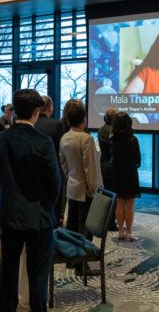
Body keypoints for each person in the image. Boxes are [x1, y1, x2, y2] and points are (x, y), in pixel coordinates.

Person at [0, 89, 61, 312]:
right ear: (35, 112)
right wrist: (48, 208)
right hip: (38, 216)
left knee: (8, 273)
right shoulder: (43, 142)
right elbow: (54, 183)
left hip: (9, 213)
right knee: (37, 276)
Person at [59, 99, 103, 276]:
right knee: (85, 229)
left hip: (72, 185)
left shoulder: (65, 137)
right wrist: (93, 189)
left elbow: (63, 162)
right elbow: (90, 168)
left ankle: (72, 260)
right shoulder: (86, 139)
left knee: (72, 225)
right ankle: (82, 265)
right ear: (83, 119)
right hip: (85, 190)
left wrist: (71, 176)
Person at [34, 95, 66, 227]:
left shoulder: (32, 124)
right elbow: (61, 149)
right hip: (52, 170)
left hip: (34, 172)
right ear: (50, 109)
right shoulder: (56, 125)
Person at [110, 112, 141, 242]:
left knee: (119, 203)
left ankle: (120, 232)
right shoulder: (133, 140)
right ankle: (128, 232)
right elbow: (138, 159)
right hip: (130, 173)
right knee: (130, 205)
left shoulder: (112, 139)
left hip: (117, 173)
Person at [97, 107, 118, 231]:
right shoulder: (114, 132)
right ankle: (111, 223)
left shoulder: (100, 130)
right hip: (112, 166)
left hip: (104, 165)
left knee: (107, 194)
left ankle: (107, 221)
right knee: (113, 195)